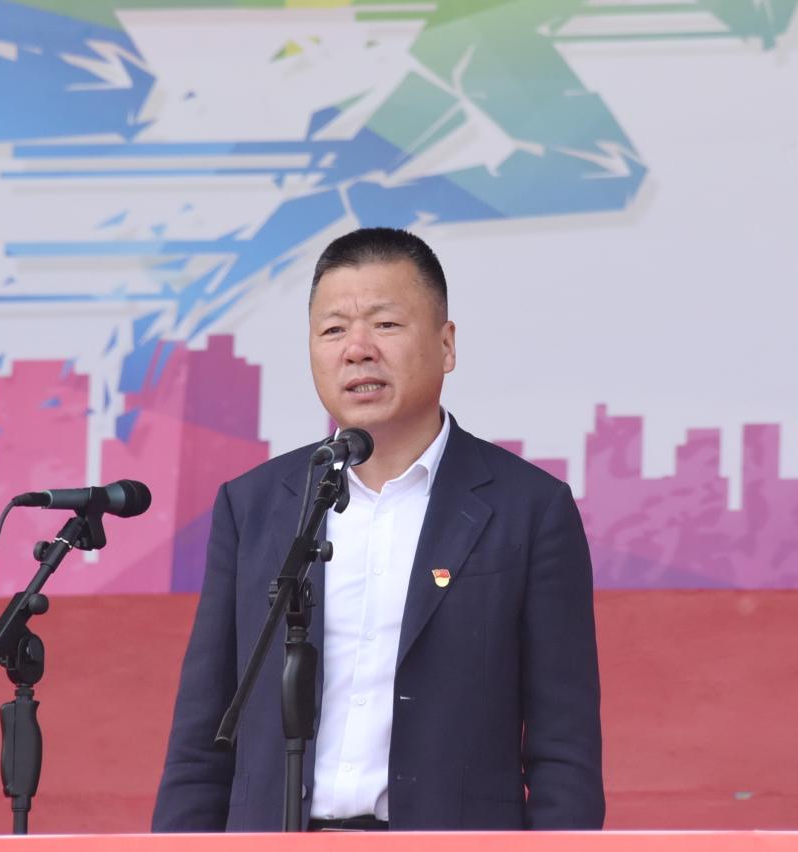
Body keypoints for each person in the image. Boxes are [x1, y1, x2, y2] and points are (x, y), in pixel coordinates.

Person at [152, 227, 604, 832]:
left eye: (386, 324)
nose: (357, 349)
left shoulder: (529, 509)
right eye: (333, 330)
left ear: (446, 345)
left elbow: (564, 751)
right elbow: (204, 736)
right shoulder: (254, 505)